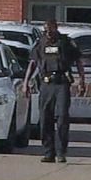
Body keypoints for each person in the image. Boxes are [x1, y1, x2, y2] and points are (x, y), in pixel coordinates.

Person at [23, 19, 85, 163]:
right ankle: (48, 152)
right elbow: (33, 63)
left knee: (62, 117)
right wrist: (26, 82)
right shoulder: (40, 43)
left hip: (62, 84)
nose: (48, 33)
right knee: (45, 119)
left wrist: (82, 80)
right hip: (46, 84)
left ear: (56, 28)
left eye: (50, 30)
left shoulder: (66, 42)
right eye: (46, 31)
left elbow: (78, 62)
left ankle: (61, 152)